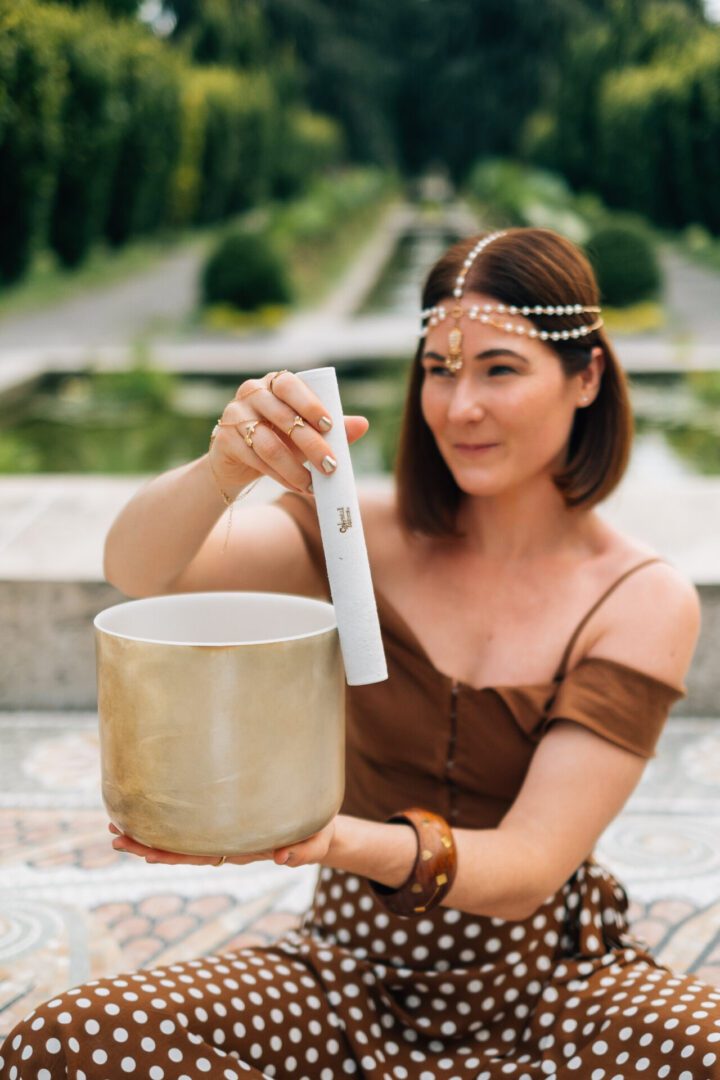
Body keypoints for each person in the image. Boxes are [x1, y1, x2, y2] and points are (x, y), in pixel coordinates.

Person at [2, 225, 718, 1080]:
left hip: (549, 985)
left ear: (587, 376)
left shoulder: (640, 597)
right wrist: (224, 469)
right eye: (440, 370)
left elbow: (529, 867)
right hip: (346, 969)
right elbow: (140, 570)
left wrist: (327, 838)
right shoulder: (355, 538)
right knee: (66, 1038)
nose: (460, 407)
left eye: (500, 369)